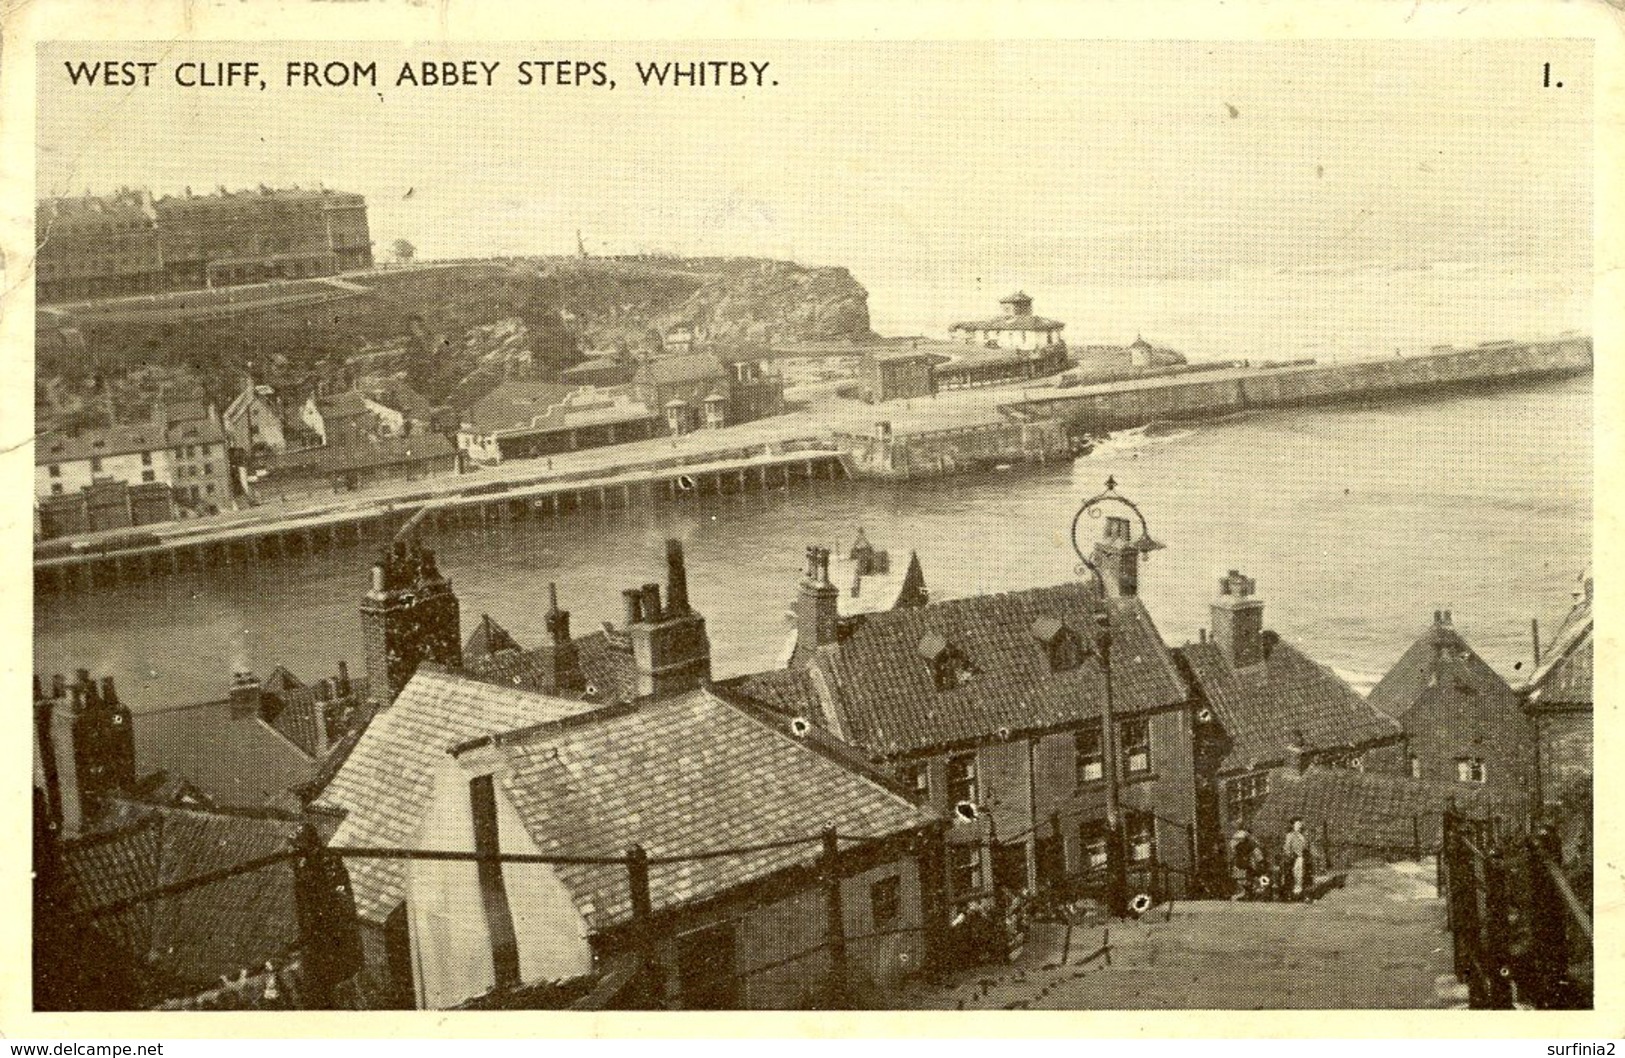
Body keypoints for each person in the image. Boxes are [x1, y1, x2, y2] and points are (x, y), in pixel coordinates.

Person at [1283, 817, 1314, 901]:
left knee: (1306, 877)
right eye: (1297, 824)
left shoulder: (1304, 835)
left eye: (1300, 824)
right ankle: (1294, 894)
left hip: (1305, 859)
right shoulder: (1290, 835)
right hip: (1295, 859)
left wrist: (1309, 855)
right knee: (1296, 876)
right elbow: (1286, 848)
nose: (1299, 826)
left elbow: (1308, 847)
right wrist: (1290, 856)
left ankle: (1305, 895)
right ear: (1293, 825)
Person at [1228, 827, 1261, 900]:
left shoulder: (1241, 843)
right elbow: (1257, 852)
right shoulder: (1247, 843)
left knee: (1245, 879)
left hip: (1243, 864)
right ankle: (1244, 893)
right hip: (1243, 864)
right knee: (1243, 880)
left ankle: (1246, 892)